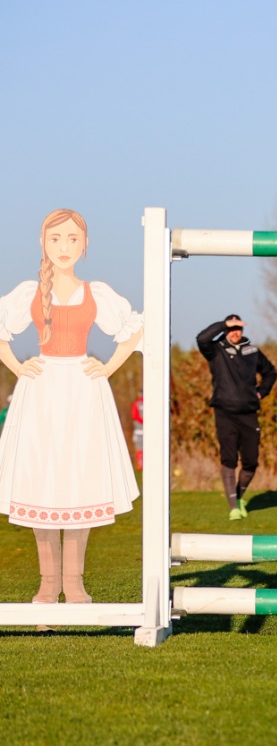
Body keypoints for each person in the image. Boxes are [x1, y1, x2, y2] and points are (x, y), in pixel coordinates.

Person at [0, 209, 143, 608]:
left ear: (85, 245)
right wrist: (18, 367)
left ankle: (75, 584)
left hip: (82, 390)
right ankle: (47, 586)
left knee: (79, 479)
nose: (64, 247)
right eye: (56, 239)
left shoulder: (96, 292)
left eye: (73, 239)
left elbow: (133, 331)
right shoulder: (30, 292)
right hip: (42, 389)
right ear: (42, 243)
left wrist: (107, 369)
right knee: (42, 481)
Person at [197, 314, 277, 520]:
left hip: (249, 412)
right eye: (231, 328)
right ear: (225, 330)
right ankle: (233, 507)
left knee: (251, 462)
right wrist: (224, 324)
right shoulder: (216, 351)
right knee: (229, 459)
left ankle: (239, 497)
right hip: (225, 412)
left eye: (238, 328)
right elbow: (202, 338)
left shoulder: (252, 351)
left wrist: (262, 391)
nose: (235, 332)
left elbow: (270, 372)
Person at [131, 394, 143, 471]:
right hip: (144, 430)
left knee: (139, 448)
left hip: (138, 430)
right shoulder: (151, 402)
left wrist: (142, 421)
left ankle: (140, 463)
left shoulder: (136, 404)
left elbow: (134, 416)